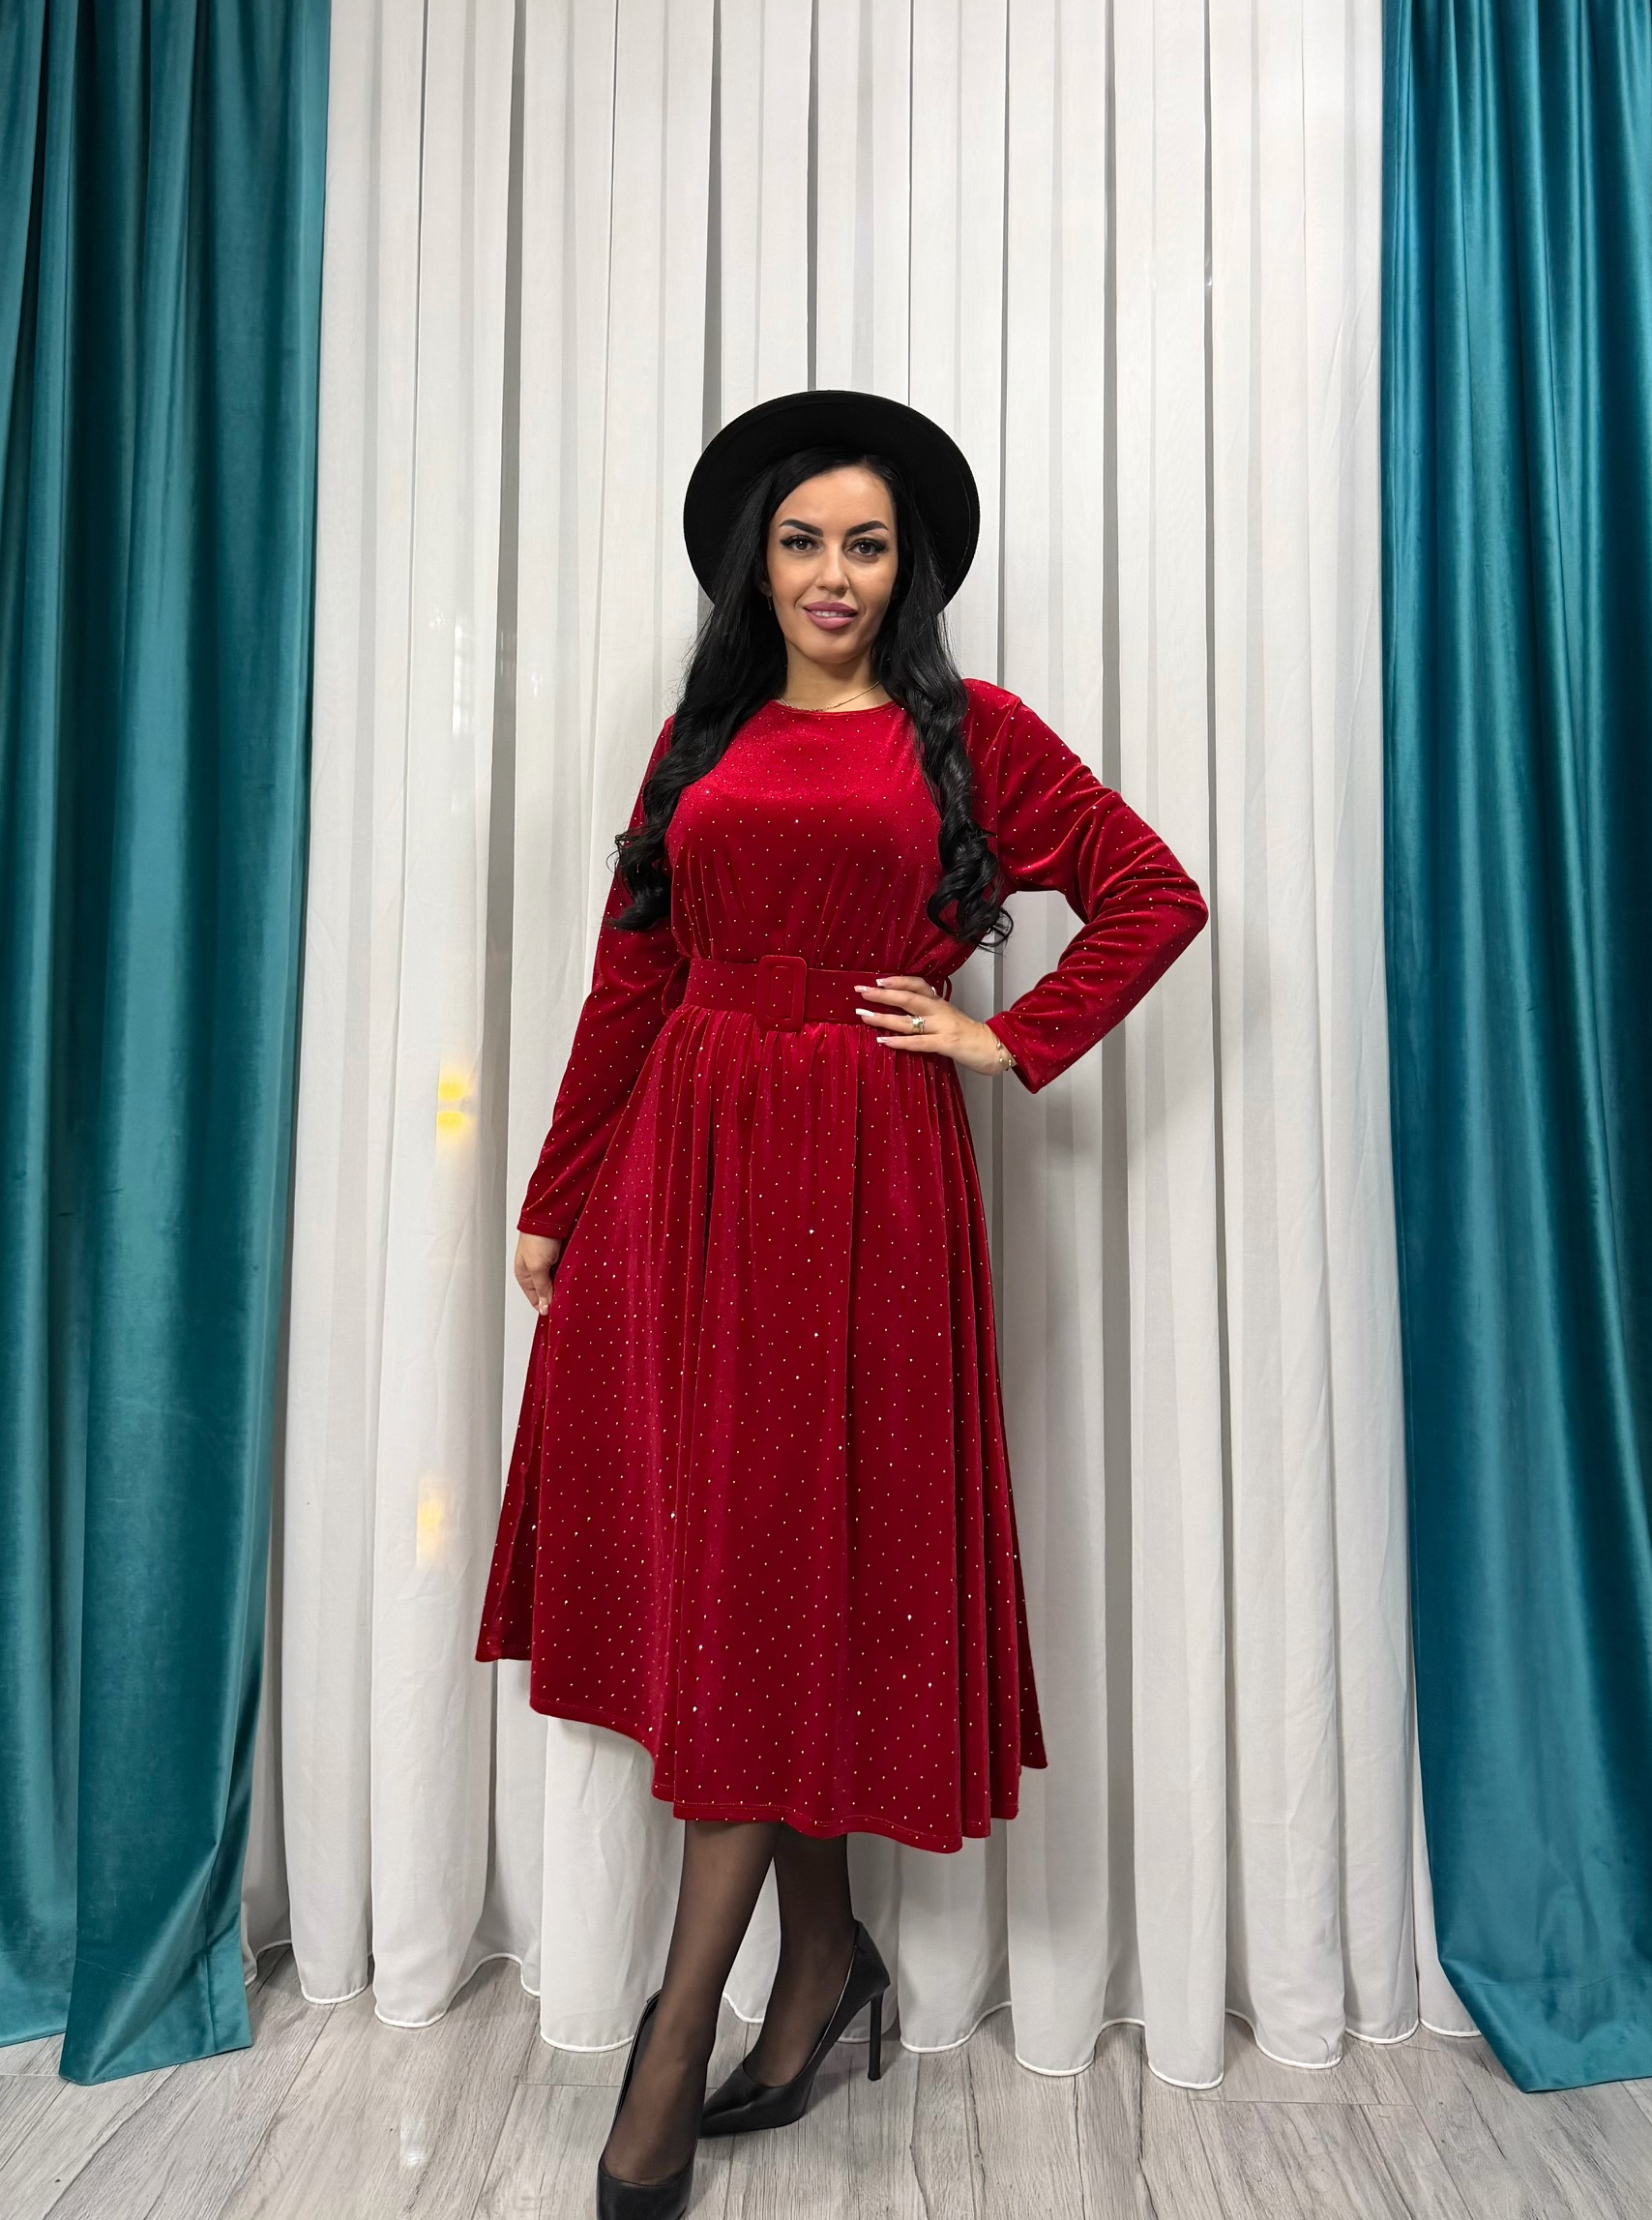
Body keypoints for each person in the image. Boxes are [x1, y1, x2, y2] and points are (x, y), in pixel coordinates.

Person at [475, 388, 1209, 2218]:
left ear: (907, 570)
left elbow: (1151, 893)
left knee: (776, 1574)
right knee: (746, 1578)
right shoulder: (700, 740)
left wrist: (1005, 1035)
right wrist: (559, 1194)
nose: (832, 573)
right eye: (803, 541)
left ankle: (680, 2038)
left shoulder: (976, 737)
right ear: (756, 564)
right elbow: (631, 973)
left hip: (869, 1182)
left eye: (866, 545)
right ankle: (821, 1962)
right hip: (686, 1168)